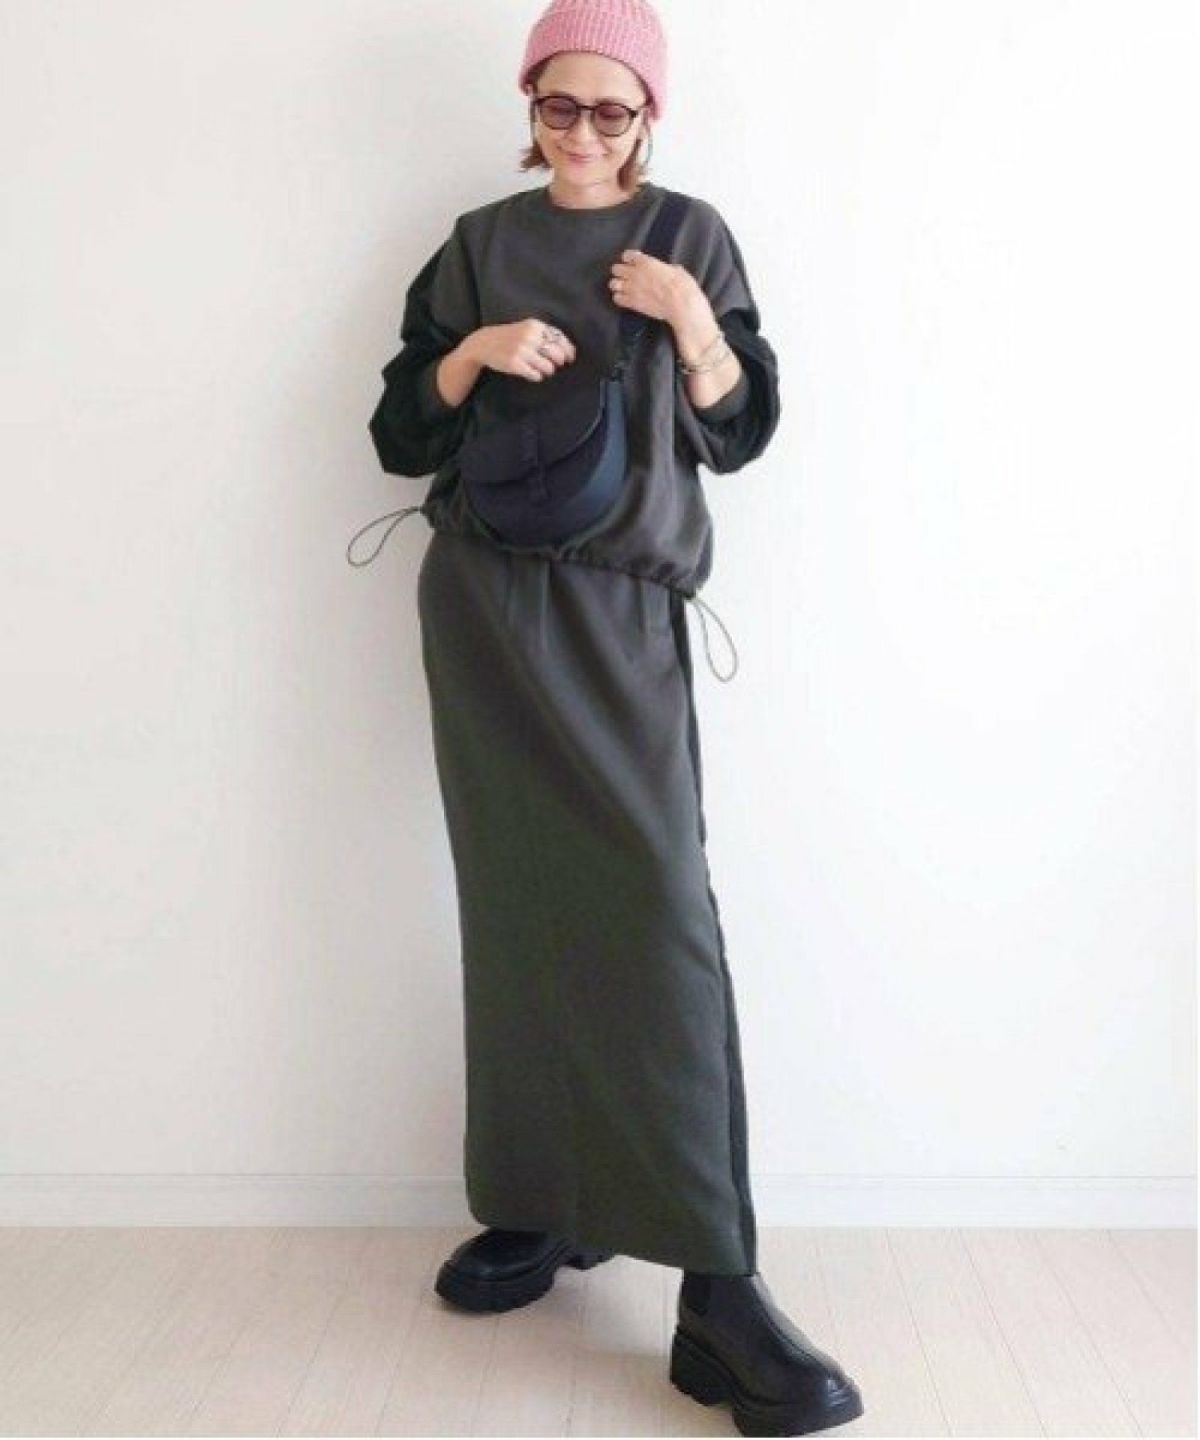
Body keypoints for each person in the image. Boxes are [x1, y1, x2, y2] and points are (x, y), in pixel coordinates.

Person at [352, 0, 864, 1432]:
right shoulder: (478, 246)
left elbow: (741, 429)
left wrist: (694, 324)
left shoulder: (688, 237)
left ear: (651, 117)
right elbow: (398, 429)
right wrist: (473, 352)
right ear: (529, 107)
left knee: (656, 919)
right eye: (558, 105)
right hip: (479, 604)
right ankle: (543, 1199)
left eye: (611, 109)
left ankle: (718, 1289)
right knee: (518, 901)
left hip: (621, 614)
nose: (583, 132)